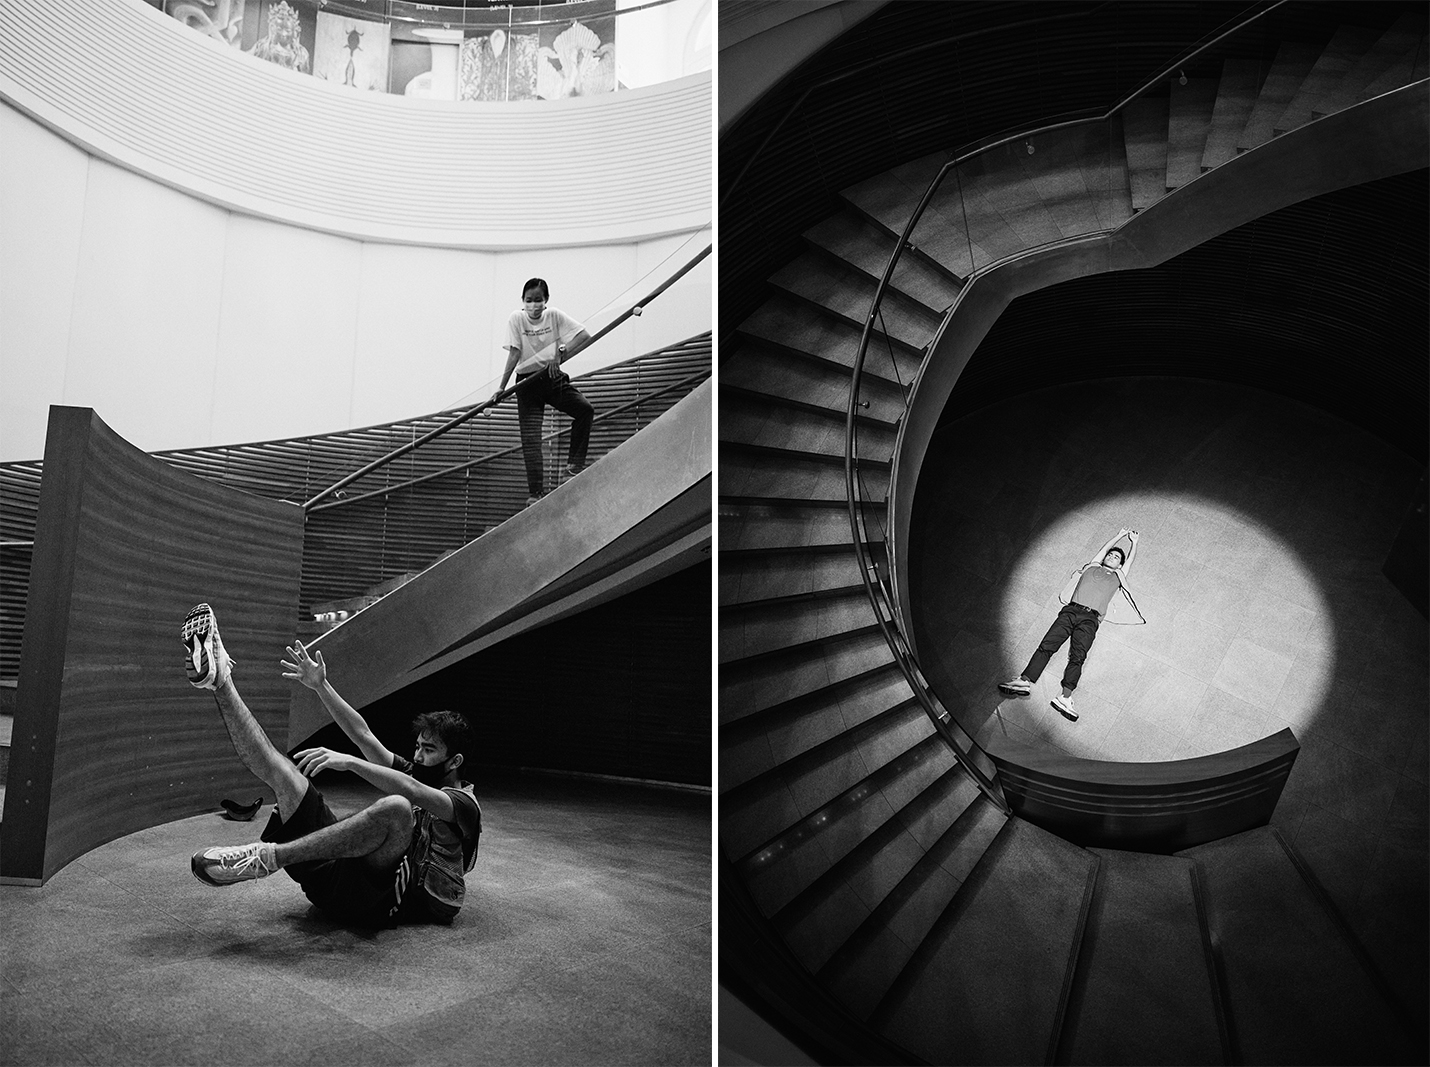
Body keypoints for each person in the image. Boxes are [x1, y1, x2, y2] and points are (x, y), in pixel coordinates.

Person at [181, 603, 482, 926]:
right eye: (418, 747)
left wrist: (350, 763)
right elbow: (363, 733)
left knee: (398, 807)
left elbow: (412, 790)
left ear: (455, 761)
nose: (419, 756)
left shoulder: (464, 805)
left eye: (429, 750)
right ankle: (220, 680)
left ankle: (265, 858)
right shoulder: (415, 769)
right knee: (287, 776)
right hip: (337, 876)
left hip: (380, 901)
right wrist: (320, 686)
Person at [998, 528, 1144, 721]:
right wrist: (1118, 536)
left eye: (1116, 557)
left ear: (1120, 565)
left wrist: (1134, 542)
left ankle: (1065, 698)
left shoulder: (1118, 577)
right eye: (1110, 554)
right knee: (1046, 646)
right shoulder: (1091, 567)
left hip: (1090, 620)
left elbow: (1129, 562)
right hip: (1070, 611)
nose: (1111, 556)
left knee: (1078, 657)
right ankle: (1024, 681)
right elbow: (1103, 550)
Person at [491, 277, 597, 506]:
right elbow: (514, 353)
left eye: (538, 300)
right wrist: (501, 387)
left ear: (546, 300)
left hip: (551, 377)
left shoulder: (554, 315)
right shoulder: (516, 318)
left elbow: (584, 336)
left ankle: (574, 466)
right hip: (527, 383)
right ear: (523, 301)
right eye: (529, 300)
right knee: (531, 438)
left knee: (585, 410)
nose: (534, 305)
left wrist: (561, 353)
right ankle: (535, 493)